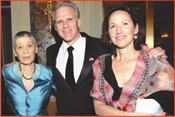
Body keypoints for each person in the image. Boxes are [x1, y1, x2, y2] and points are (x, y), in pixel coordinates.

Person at [46, 1, 167, 115]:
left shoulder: (101, 47)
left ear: (78, 22)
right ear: (55, 27)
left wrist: (149, 51)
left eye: (69, 19)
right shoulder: (51, 52)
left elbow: (125, 45)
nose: (65, 25)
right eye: (59, 22)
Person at [90, 5, 174, 116]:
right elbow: (98, 107)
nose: (118, 31)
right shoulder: (100, 64)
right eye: (112, 26)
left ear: (136, 29)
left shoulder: (155, 62)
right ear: (108, 33)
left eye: (125, 24)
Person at [1, 31, 56, 116]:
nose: (25, 51)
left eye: (29, 45)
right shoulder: (6, 73)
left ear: (36, 48)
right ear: (15, 52)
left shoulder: (48, 73)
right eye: (20, 47)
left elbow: (65, 95)